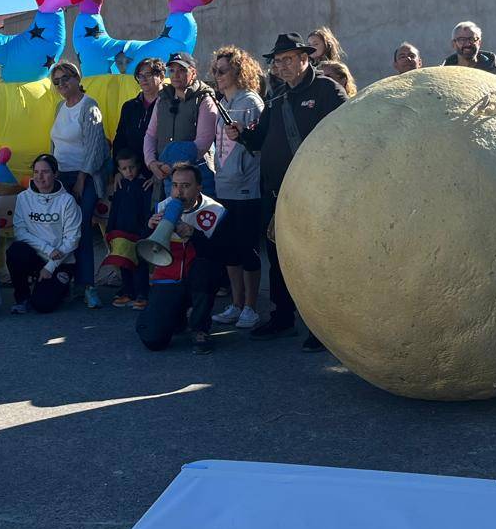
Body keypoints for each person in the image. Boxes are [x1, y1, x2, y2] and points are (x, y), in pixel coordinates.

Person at [226, 32, 348, 348]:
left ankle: (323, 328)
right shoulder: (277, 97)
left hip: (316, 191)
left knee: (315, 259)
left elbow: (346, 133)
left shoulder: (326, 90)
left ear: (305, 58)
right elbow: (260, 140)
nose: (283, 66)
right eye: (278, 61)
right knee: (279, 256)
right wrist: (241, 135)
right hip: (277, 192)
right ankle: (282, 318)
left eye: (289, 59)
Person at [136, 162, 227, 354]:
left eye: (186, 186)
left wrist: (194, 235)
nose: (179, 192)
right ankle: (176, 317)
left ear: (199, 187)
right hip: (169, 277)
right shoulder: (161, 207)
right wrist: (149, 229)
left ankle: (200, 327)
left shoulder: (216, 211)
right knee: (153, 340)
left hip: (198, 278)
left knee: (206, 269)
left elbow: (222, 254)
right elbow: (144, 253)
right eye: (175, 185)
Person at [207, 47, 266, 331]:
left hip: (246, 188)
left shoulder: (250, 102)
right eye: (215, 70)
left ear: (238, 72)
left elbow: (257, 144)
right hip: (224, 186)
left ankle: (252, 307)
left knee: (247, 249)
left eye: (222, 70)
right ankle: (237, 304)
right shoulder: (222, 102)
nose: (216, 76)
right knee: (229, 250)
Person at [49, 61, 109, 305]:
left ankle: (89, 286)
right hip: (61, 175)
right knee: (63, 231)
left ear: (77, 78)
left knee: (82, 229)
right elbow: (54, 144)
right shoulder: (59, 107)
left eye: (66, 79)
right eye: (57, 81)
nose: (62, 85)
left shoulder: (89, 106)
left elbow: (95, 148)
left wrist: (82, 178)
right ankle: (69, 281)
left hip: (85, 176)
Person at [7, 153, 83, 314]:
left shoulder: (67, 201)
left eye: (45, 172)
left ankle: (61, 286)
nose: (40, 177)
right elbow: (20, 232)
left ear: (55, 174)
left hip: (61, 261)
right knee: (15, 250)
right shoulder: (23, 198)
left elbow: (72, 239)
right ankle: (22, 298)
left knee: (43, 305)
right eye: (36, 172)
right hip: (37, 256)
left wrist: (50, 266)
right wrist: (47, 250)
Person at [142, 53, 218, 194]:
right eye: (172, 70)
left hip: (196, 175)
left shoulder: (204, 100)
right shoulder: (162, 100)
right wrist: (151, 163)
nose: (176, 75)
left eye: (182, 70)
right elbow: (150, 135)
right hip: (165, 175)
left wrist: (170, 164)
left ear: (193, 73)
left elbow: (203, 142)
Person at [102, 150, 157, 309]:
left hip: (138, 232)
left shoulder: (144, 186)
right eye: (124, 169)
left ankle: (142, 294)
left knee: (139, 264)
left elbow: (148, 210)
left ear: (138, 166)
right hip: (120, 232)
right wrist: (110, 229)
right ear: (119, 170)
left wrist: (146, 229)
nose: (129, 172)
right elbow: (115, 208)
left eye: (131, 167)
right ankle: (127, 291)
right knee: (123, 262)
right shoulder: (120, 186)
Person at [113, 57, 165, 165]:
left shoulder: (171, 105)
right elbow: (120, 140)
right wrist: (118, 171)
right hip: (132, 172)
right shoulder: (129, 107)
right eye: (140, 76)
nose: (144, 79)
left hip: (160, 169)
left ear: (161, 76)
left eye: (148, 75)